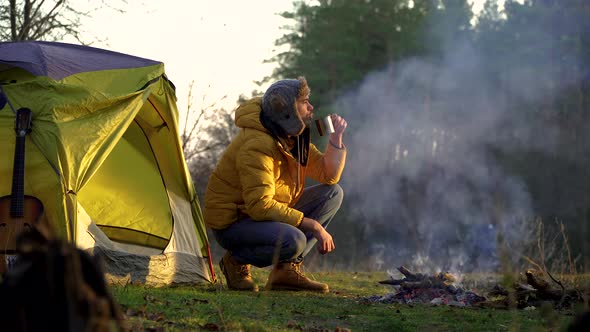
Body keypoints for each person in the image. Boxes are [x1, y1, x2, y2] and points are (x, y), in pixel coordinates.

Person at [204, 76, 347, 293]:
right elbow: (260, 205)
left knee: (332, 193)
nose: (311, 107)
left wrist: (335, 141)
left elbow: (328, 176)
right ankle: (235, 260)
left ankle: (285, 272)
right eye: (304, 101)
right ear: (288, 110)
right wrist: (314, 226)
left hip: (263, 217)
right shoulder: (257, 145)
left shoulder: (292, 138)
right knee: (294, 240)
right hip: (234, 224)